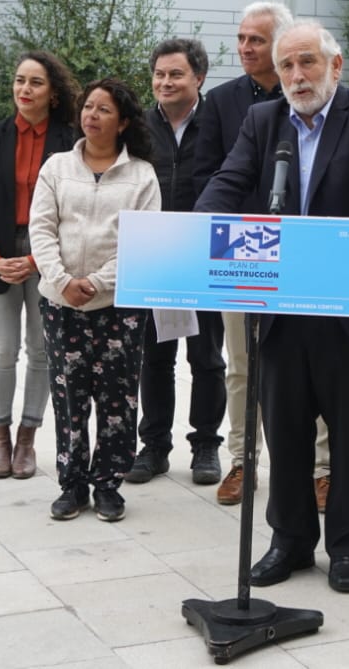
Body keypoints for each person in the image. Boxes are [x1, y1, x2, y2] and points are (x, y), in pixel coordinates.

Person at [195, 21, 349, 595]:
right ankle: (288, 542)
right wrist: (194, 234)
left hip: (347, 303)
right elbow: (230, 179)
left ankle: (345, 551)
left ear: (335, 66)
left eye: (307, 63)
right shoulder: (263, 121)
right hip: (281, 305)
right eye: (287, 65)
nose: (295, 76)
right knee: (284, 433)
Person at [190, 1, 307, 507]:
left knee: (307, 364)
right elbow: (213, 174)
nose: (244, 48)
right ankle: (243, 460)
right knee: (241, 364)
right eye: (240, 39)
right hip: (244, 249)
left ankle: (317, 467)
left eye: (255, 40)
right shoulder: (221, 101)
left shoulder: (310, 93)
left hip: (304, 252)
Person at [29, 78, 162, 522]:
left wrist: (98, 283)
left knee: (117, 396)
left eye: (104, 110)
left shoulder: (141, 175)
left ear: (123, 122)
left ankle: (107, 484)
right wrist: (63, 279)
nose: (92, 115)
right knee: (68, 394)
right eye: (88, 107)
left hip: (118, 305)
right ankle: (72, 484)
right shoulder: (56, 168)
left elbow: (144, 242)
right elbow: (42, 229)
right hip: (60, 301)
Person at [0, 51, 79, 479]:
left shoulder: (68, 140)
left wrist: (36, 258)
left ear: (53, 93)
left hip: (48, 253)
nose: (24, 90)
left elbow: (72, 207)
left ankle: (28, 439)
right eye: (19, 81)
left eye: (35, 83)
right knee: (1, 350)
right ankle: (0, 440)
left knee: (43, 350)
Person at [128, 37, 227, 487]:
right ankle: (154, 445)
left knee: (206, 355)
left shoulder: (221, 122)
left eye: (176, 74)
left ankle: (205, 443)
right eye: (159, 74)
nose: (165, 82)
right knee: (154, 354)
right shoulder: (139, 128)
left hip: (207, 251)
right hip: (155, 251)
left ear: (199, 78)